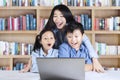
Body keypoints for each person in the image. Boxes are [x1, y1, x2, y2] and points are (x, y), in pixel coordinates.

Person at [45, 4, 104, 72]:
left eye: (61, 16)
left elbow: (87, 42)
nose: (58, 19)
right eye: (55, 16)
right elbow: (40, 44)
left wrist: (94, 60)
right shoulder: (51, 30)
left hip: (71, 59)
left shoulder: (74, 29)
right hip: (58, 60)